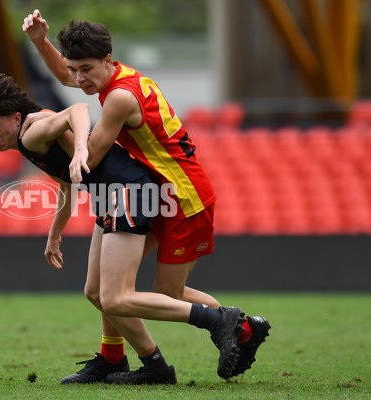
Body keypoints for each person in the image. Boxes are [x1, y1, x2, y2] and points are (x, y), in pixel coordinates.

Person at [22, 10, 271, 382]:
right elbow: (63, 77)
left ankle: (242, 328)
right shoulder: (115, 77)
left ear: (107, 60)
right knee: (109, 289)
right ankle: (117, 357)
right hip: (157, 192)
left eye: (85, 69)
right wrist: (41, 41)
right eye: (74, 68)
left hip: (184, 198)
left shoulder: (120, 97)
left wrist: (46, 139)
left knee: (165, 293)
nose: (78, 78)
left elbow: (90, 159)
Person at [0, 65, 250, 384]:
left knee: (115, 297)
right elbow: (67, 182)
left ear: (15, 118)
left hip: (127, 192)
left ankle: (215, 321)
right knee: (96, 292)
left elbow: (78, 108)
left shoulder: (31, 133)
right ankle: (123, 359)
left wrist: (83, 150)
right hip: (114, 193)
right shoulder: (32, 132)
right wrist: (55, 232)